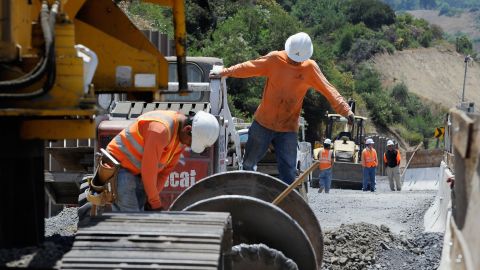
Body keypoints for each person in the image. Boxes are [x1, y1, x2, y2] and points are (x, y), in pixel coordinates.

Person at [210, 32, 354, 184]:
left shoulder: (310, 69)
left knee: (288, 172)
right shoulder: (275, 59)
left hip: (288, 128)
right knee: (248, 164)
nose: (295, 62)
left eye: (298, 60)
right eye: (292, 59)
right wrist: (224, 72)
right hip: (263, 123)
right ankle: (248, 194)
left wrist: (346, 110)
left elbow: (329, 90)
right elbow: (248, 67)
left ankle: (286, 202)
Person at [106, 110, 220, 211]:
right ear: (188, 129)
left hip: (136, 173)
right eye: (190, 142)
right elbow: (148, 172)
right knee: (131, 219)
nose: (188, 146)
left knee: (140, 217)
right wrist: (155, 203)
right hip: (119, 167)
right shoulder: (160, 130)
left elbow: (163, 174)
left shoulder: (180, 139)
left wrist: (152, 201)